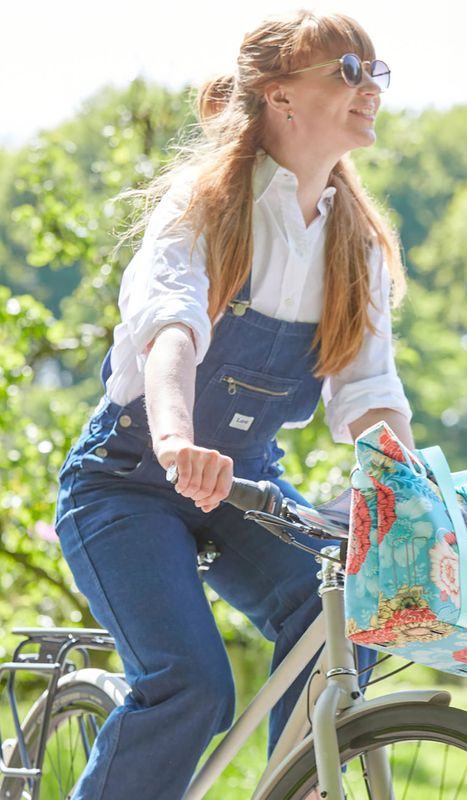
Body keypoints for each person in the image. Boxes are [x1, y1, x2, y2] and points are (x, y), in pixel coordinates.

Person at [54, 10, 414, 799]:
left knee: (344, 627)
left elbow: (368, 393)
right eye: (347, 71)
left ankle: (295, 786)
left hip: (244, 484)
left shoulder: (354, 242)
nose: (371, 89)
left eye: (374, 71)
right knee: (193, 686)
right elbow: (170, 333)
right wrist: (177, 437)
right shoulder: (208, 204)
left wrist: (420, 496)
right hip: (126, 483)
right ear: (281, 96)